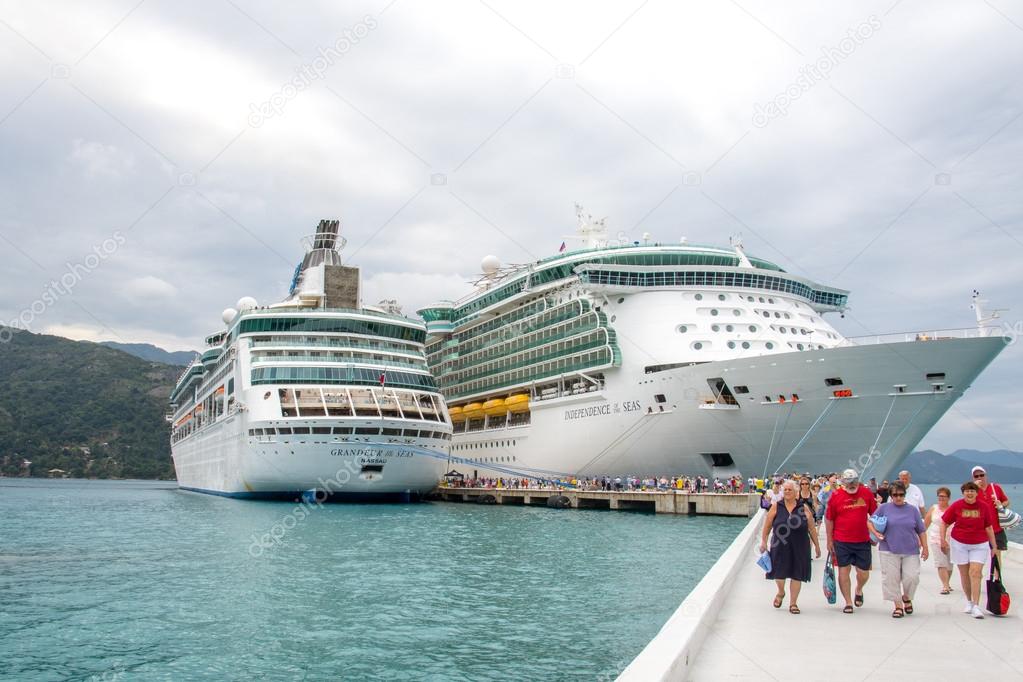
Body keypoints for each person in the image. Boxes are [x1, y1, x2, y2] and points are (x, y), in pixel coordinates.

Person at [760, 480, 821, 614]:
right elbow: (767, 525)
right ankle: (781, 592)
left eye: (790, 490)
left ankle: (793, 603)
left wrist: (817, 546)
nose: (787, 492)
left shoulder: (803, 508)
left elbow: (811, 527)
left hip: (800, 546)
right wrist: (763, 541)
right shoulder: (776, 506)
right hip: (780, 546)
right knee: (779, 574)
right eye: (785, 490)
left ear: (795, 492)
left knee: (797, 574)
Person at [870, 482, 928, 618]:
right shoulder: (884, 508)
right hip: (888, 548)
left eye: (901, 495)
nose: (898, 497)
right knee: (891, 578)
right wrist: (876, 533)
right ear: (891, 496)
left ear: (904, 495)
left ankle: (907, 597)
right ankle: (897, 605)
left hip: (910, 549)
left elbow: (921, 530)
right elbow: (870, 521)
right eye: (895, 495)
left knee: (912, 577)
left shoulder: (913, 510)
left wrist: (925, 547)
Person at [940, 481, 997, 619]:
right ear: (963, 493)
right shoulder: (957, 505)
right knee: (964, 574)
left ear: (976, 493)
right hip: (959, 543)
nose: (969, 493)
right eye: (967, 491)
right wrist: (942, 540)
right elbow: (944, 522)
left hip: (979, 544)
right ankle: (969, 602)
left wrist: (994, 546)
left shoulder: (984, 507)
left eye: (972, 491)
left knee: (975, 573)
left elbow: (989, 527)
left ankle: (977, 606)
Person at [825, 468, 878, 613]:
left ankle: (859, 589)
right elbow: (829, 519)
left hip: (862, 539)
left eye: (854, 481)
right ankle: (848, 602)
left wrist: (876, 534)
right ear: (843, 482)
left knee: (863, 573)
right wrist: (829, 540)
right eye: (848, 482)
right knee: (844, 570)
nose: (851, 484)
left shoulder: (866, 493)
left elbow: (875, 515)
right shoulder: (836, 496)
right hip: (841, 539)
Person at [972, 465, 1010, 565]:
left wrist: (1000, 505)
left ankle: (997, 578)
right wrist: (975, 488)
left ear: (986, 475)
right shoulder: (972, 491)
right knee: (978, 558)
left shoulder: (995, 488)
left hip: (996, 528)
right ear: (973, 478)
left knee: (996, 555)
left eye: (981, 475)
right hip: (980, 529)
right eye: (976, 476)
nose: (979, 477)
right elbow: (969, 503)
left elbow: (1006, 501)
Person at [923, 487, 954, 594]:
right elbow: (925, 524)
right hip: (935, 538)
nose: (941, 498)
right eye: (939, 496)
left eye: (943, 496)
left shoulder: (952, 509)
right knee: (941, 563)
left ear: (948, 498)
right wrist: (920, 539)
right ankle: (945, 586)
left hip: (951, 539)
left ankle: (947, 583)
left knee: (949, 564)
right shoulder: (933, 508)